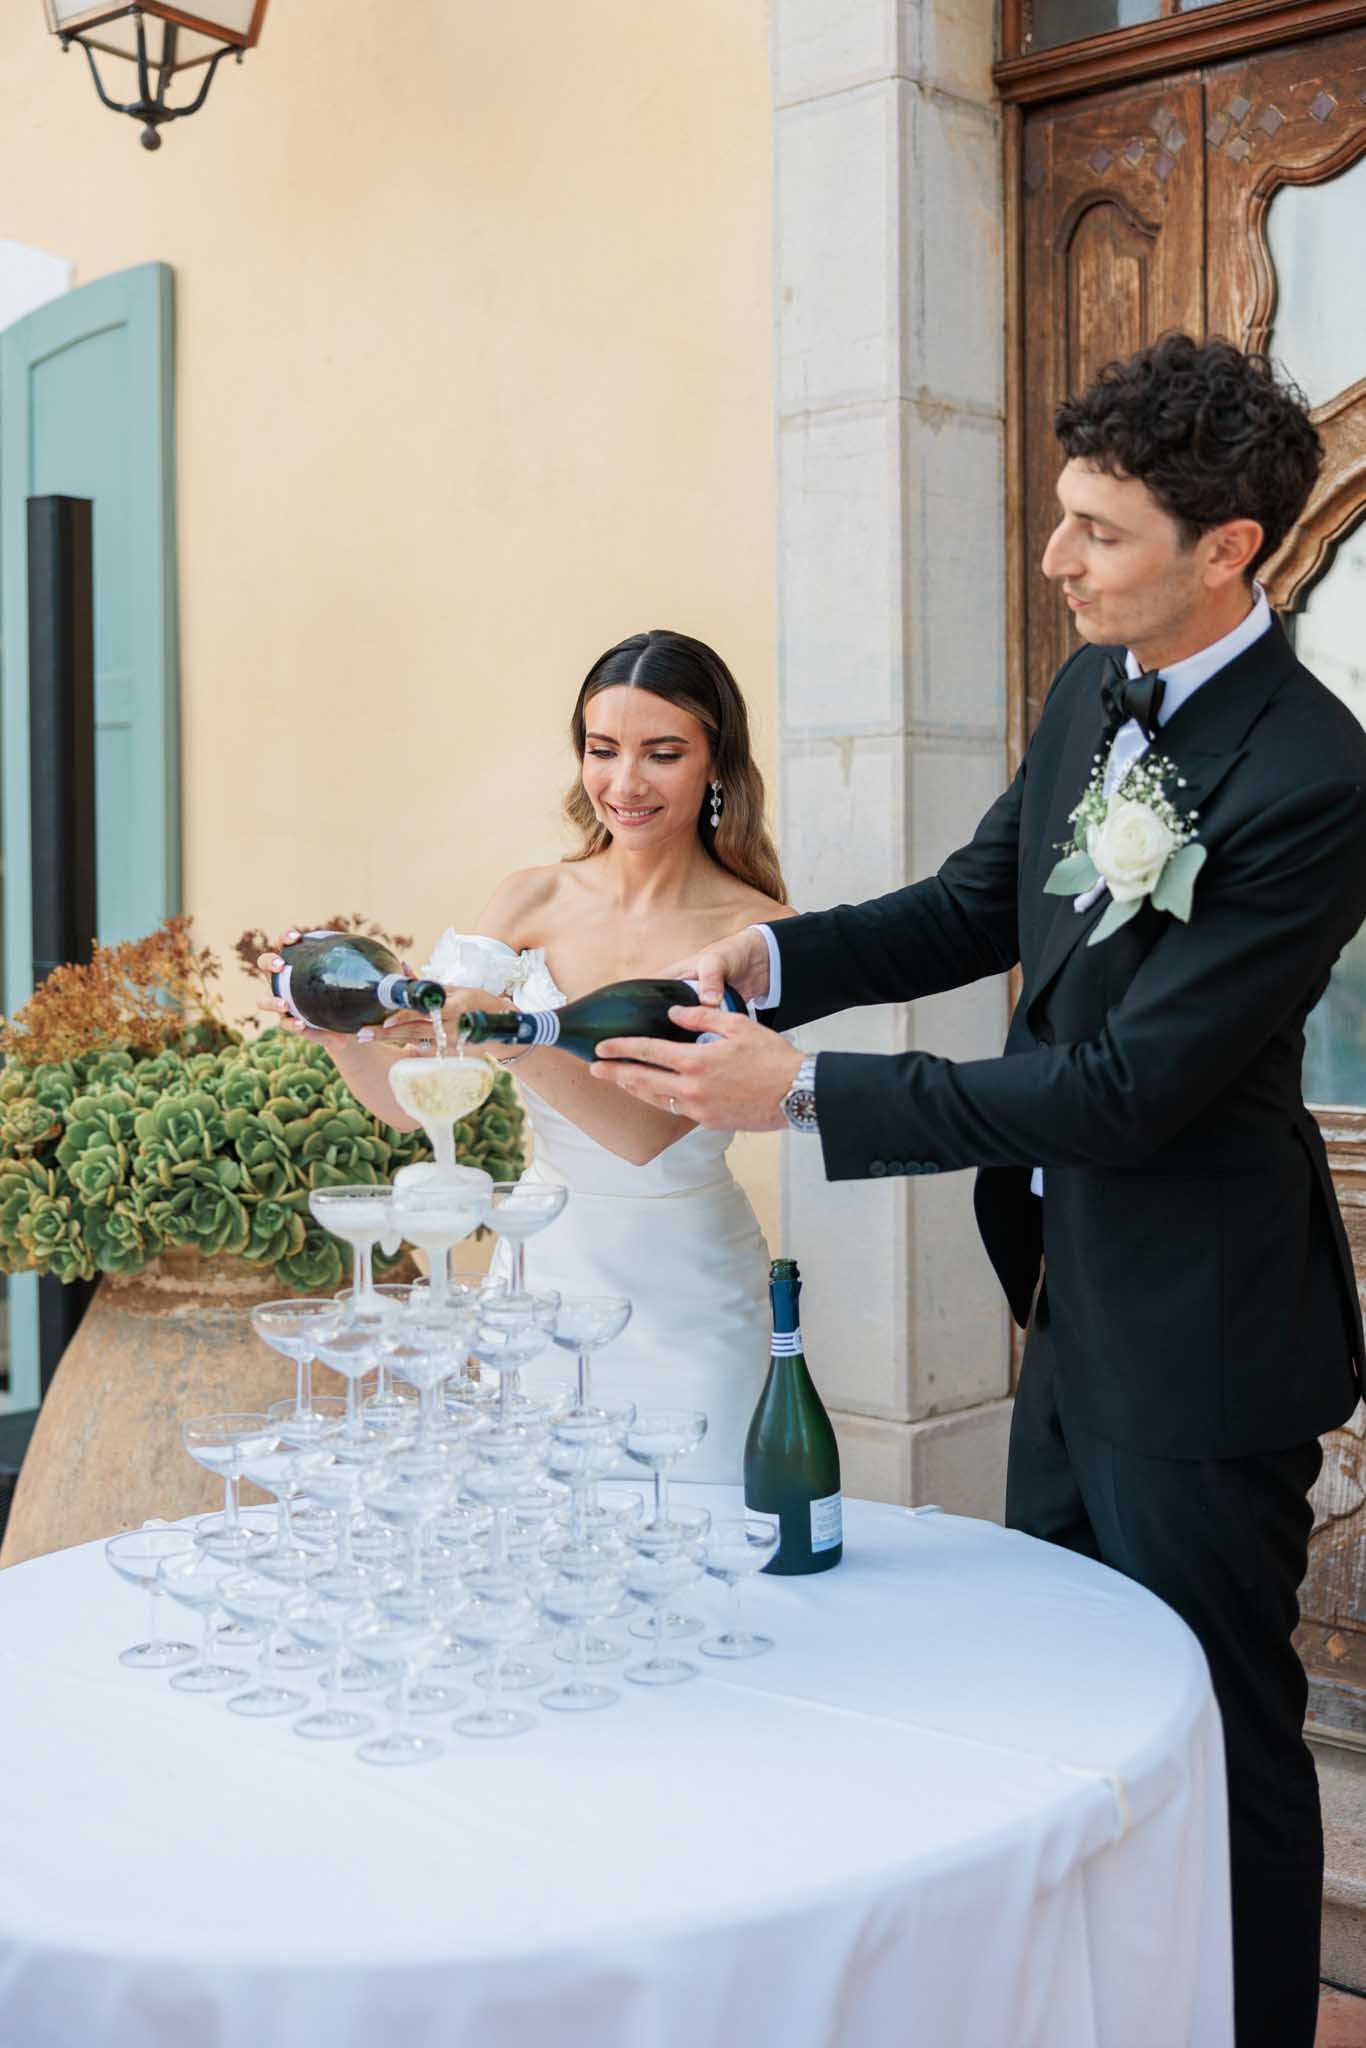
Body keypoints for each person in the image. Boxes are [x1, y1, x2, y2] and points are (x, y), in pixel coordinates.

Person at [589, 336, 1366, 2048]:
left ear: (1226, 547)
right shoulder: (1098, 686)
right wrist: (775, 958)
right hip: (1070, 1289)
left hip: (1208, 1321)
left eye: (1096, 529)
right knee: (1065, 1678)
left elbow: (1126, 1084)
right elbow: (974, 899)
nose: (1055, 558)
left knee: (1217, 1719)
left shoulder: (1315, 776)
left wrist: (798, 1096)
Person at [258, 628, 794, 1481]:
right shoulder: (531, 896)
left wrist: (506, 1030)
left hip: (692, 1292)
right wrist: (340, 1034)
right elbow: (411, 1101)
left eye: (662, 753)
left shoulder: (756, 935)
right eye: (602, 750)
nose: (625, 783)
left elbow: (647, 1133)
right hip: (537, 1281)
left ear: (715, 763)